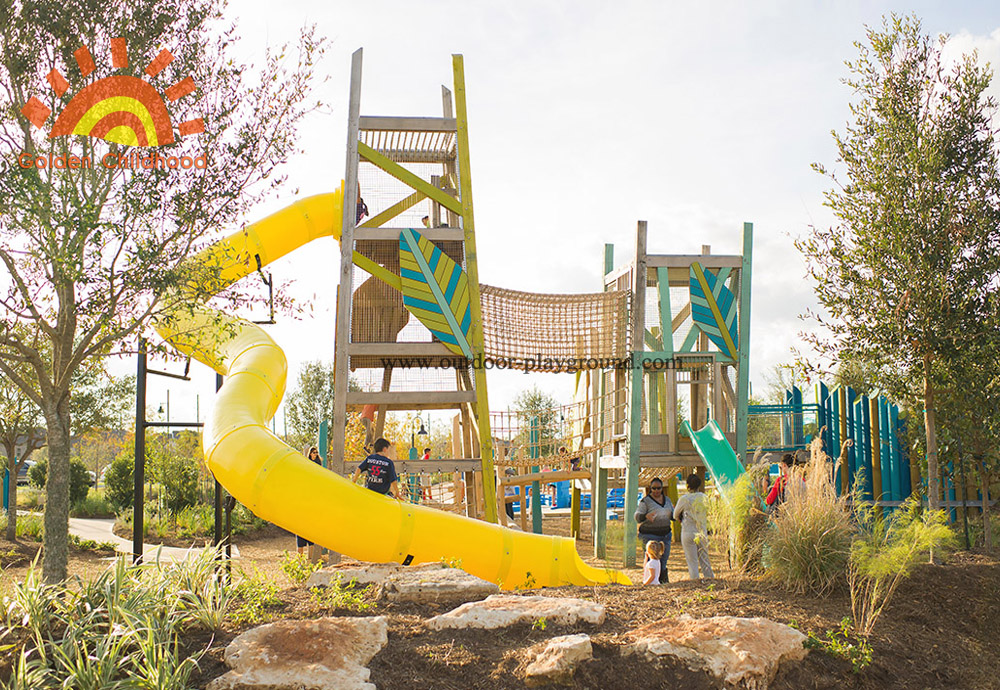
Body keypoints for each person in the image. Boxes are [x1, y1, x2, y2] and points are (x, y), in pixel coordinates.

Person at [673, 474, 714, 580]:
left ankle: (695, 580)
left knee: (692, 561)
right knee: (704, 558)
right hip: (701, 531)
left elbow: (674, 515)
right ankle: (709, 578)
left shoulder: (684, 499)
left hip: (688, 531)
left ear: (688, 485)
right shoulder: (704, 497)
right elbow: (710, 512)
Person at [635, 477, 673, 584]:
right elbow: (637, 516)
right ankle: (649, 580)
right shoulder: (645, 502)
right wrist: (646, 516)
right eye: (653, 488)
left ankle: (661, 580)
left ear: (662, 488)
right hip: (649, 535)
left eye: (658, 488)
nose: (656, 491)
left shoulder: (667, 500)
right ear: (650, 489)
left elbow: (673, 514)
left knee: (663, 559)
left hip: (665, 534)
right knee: (651, 559)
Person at [296, 447, 323, 554]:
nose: (315, 454)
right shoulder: (306, 463)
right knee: (301, 538)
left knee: (310, 538)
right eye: (313, 453)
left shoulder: (318, 463)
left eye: (316, 452)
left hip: (314, 486)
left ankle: (310, 558)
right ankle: (301, 559)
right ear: (310, 454)